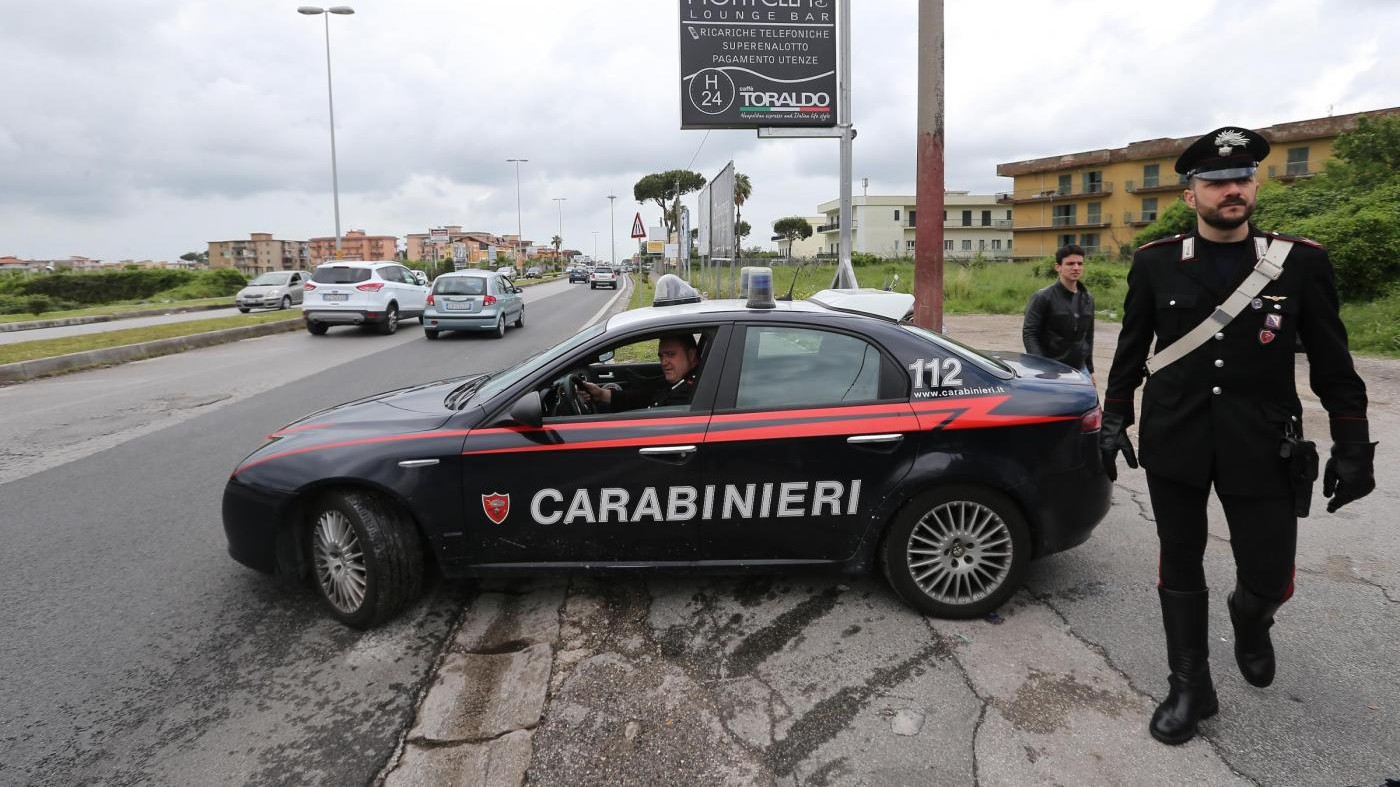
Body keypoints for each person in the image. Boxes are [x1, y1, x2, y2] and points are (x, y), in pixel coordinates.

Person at [1099, 126, 1376, 746]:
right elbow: (1131, 346)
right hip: (1178, 438)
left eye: (1241, 179)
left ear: (1255, 186)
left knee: (1272, 575)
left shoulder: (1300, 262)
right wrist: (1115, 414)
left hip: (1264, 442)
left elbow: (1333, 363)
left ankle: (1251, 621)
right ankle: (1190, 684)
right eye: (1216, 181)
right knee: (1180, 561)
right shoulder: (1155, 262)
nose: (1232, 190)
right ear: (1190, 194)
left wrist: (1353, 444)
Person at [1022, 244, 1096, 375]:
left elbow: (1088, 336)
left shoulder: (1087, 298)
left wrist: (1090, 370)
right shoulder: (1043, 297)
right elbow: (1030, 333)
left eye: (1080, 263)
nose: (1076, 268)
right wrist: (1042, 366)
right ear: (1058, 267)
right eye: (1070, 264)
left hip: (1080, 369)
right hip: (1053, 368)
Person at [580, 333, 700, 411]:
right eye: (661, 356)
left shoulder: (692, 392)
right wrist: (601, 394)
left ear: (691, 355)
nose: (664, 362)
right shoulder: (677, 381)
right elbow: (644, 397)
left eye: (671, 354)